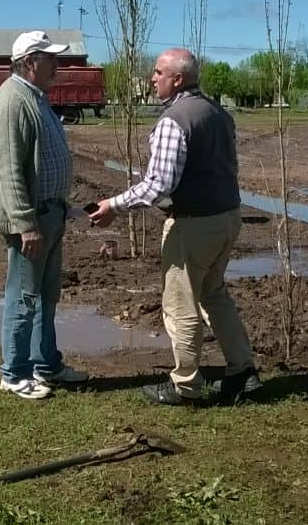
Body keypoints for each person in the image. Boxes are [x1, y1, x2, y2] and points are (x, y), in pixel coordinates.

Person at [90, 48, 261, 406]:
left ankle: (185, 385)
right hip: (227, 219)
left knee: (180, 304)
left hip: (193, 224)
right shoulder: (219, 114)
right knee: (214, 294)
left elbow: (159, 186)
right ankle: (243, 372)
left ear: (177, 79)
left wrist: (114, 206)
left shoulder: (174, 120)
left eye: (158, 72)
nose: (153, 78)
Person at [0, 30, 90, 400]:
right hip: (31, 220)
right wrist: (26, 224)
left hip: (50, 214)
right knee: (24, 296)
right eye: (51, 60)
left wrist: (64, 206)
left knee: (46, 295)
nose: (57, 67)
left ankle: (47, 364)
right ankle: (13, 373)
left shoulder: (36, 98)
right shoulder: (12, 102)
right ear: (30, 62)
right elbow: (8, 171)